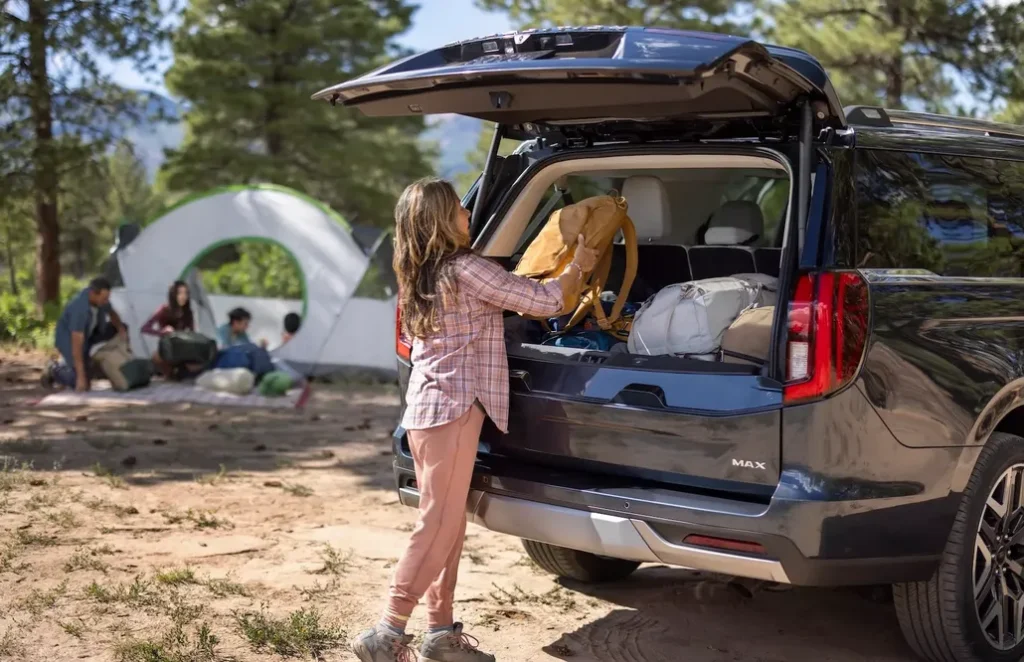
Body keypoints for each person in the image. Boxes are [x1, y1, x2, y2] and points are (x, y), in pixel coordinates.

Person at [350, 178, 599, 662]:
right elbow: (547, 301)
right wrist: (579, 267)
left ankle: (440, 634)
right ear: (444, 219)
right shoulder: (465, 269)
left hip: (426, 410)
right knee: (438, 524)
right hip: (454, 410)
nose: (469, 215)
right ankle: (387, 632)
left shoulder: (418, 273)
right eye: (460, 211)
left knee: (447, 525)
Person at [44, 277, 128, 392]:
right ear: (93, 294)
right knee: (82, 382)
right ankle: (54, 370)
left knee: (123, 327)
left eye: (107, 298)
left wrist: (121, 329)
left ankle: (102, 360)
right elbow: (76, 343)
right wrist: (81, 377)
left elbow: (112, 313)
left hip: (90, 334)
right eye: (104, 299)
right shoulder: (79, 309)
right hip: (69, 341)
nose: (106, 301)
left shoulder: (101, 301)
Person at [142, 281, 199, 378]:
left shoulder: (188, 312)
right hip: (168, 348)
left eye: (186, 293)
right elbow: (145, 328)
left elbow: (192, 332)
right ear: (173, 294)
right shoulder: (164, 309)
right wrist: (162, 332)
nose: (183, 296)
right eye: (180, 293)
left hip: (183, 347)